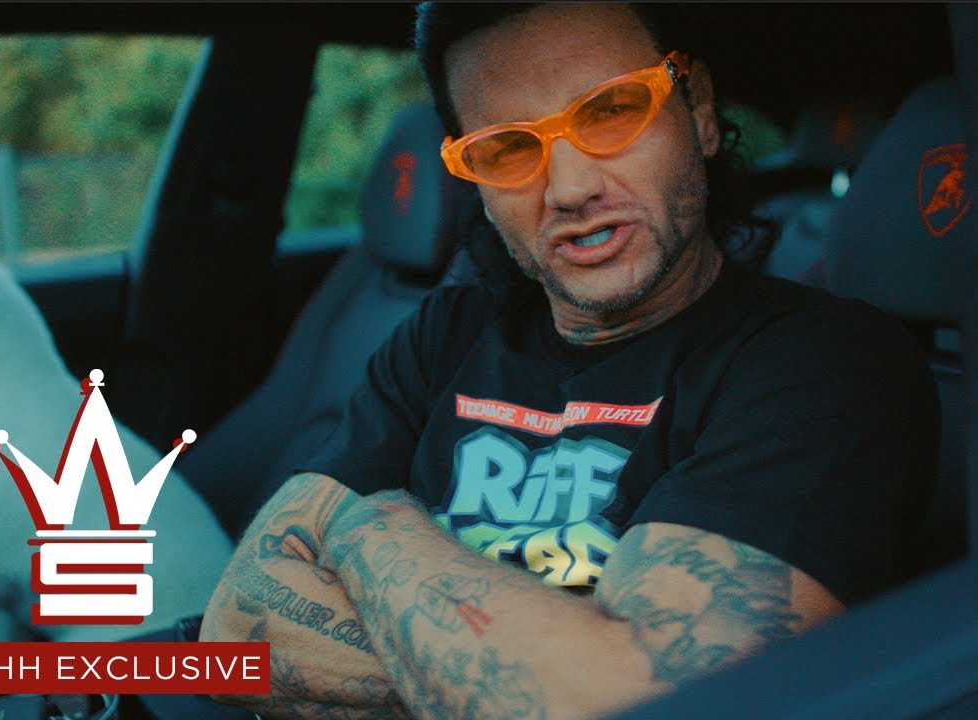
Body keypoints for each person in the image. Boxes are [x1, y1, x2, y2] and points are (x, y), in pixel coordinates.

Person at [199, 3, 940, 719]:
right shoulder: (445, 333)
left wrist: (371, 526)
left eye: (612, 110)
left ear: (700, 111)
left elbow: (642, 707)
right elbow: (233, 637)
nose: (571, 188)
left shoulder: (822, 366)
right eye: (507, 149)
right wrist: (516, 675)